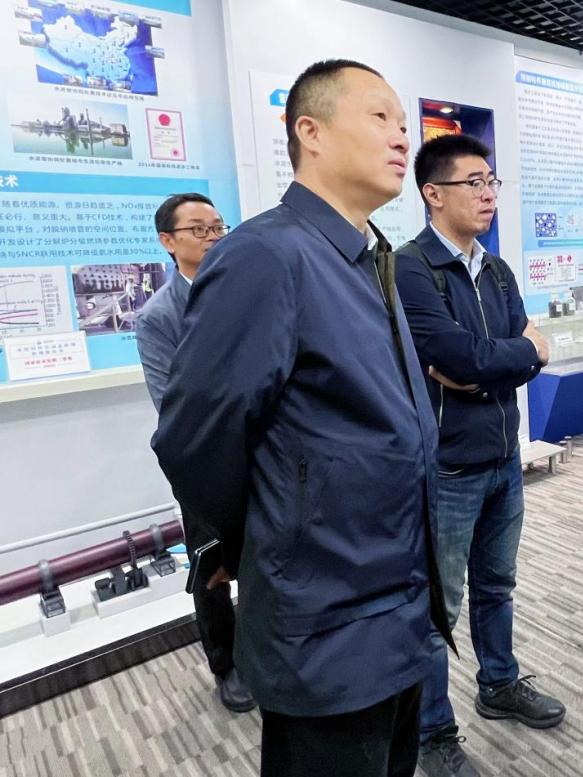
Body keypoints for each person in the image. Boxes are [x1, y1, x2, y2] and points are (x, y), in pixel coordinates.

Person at [151, 60, 453, 777]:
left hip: (397, 605)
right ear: (310, 132)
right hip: (326, 620)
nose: (401, 136)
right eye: (379, 117)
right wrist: (253, 537)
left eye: (403, 123)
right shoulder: (266, 255)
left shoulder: (367, 254)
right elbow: (195, 435)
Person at [395, 134, 564, 777]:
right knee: (438, 608)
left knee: (497, 585)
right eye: (474, 183)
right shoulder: (411, 268)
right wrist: (511, 356)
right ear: (433, 194)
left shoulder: (496, 270)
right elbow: (461, 357)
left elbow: (515, 356)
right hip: (447, 468)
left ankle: (498, 684)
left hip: (503, 457)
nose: (489, 193)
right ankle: (433, 732)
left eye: (492, 181)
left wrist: (503, 360)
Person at [135, 193, 251, 714]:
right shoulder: (158, 316)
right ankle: (225, 665)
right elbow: (173, 406)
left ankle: (266, 651)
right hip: (204, 464)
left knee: (265, 557)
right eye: (199, 230)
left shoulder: (243, 295)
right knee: (212, 567)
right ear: (168, 241)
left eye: (218, 228)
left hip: (261, 453)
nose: (213, 238)